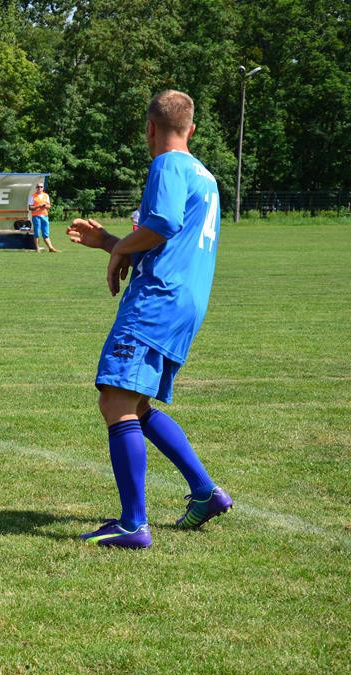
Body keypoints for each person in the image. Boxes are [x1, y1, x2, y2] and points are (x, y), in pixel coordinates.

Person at [66, 90, 233, 550]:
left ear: (150, 129)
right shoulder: (206, 176)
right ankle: (205, 492)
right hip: (185, 302)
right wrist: (110, 242)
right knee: (135, 406)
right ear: (193, 129)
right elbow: (167, 241)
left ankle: (132, 524)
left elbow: (160, 225)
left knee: (115, 403)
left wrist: (120, 248)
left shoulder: (169, 164)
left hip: (157, 302)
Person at [28, 182, 59, 252]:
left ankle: (51, 248)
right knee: (37, 233)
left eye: (41, 187)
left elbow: (49, 206)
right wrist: (38, 206)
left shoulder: (46, 195)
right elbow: (30, 207)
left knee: (46, 233)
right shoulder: (32, 196)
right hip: (36, 216)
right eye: (38, 187)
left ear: (43, 188)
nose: (40, 188)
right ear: (36, 188)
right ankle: (37, 248)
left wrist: (45, 206)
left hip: (45, 216)